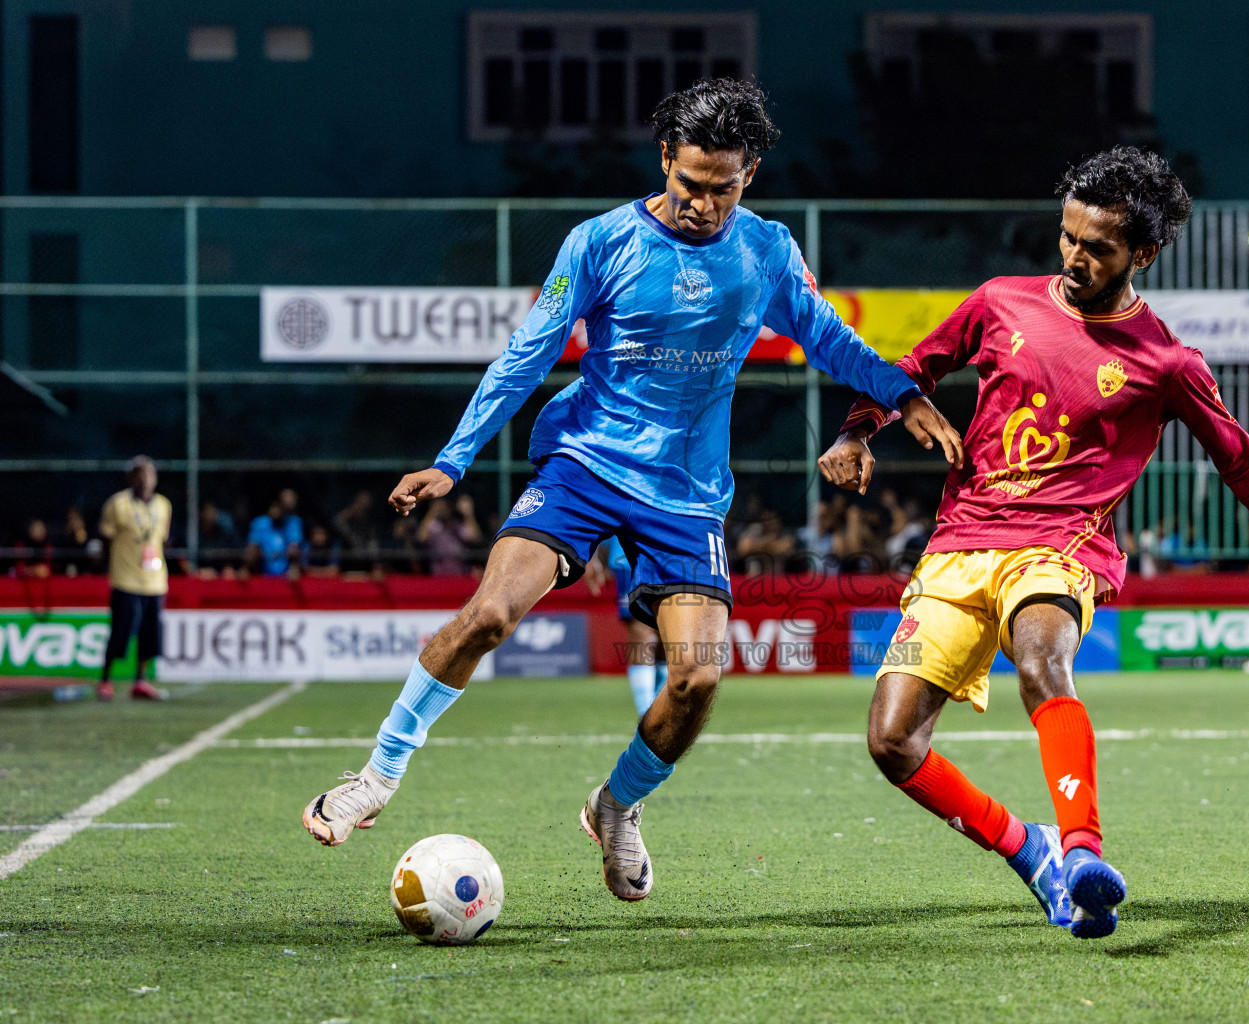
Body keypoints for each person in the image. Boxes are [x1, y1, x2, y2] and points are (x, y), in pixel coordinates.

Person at [299, 78, 963, 904]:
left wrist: (903, 395)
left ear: (749, 172)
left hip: (687, 495)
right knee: (492, 614)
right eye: (689, 184)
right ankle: (378, 774)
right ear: (664, 161)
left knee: (698, 679)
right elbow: (528, 355)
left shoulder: (766, 251)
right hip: (586, 463)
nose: (702, 204)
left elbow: (829, 338)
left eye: (722, 187)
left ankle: (617, 807)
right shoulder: (601, 242)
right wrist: (453, 460)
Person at [818, 147, 1249, 939]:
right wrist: (857, 430)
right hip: (959, 545)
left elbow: (1242, 461)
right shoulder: (1000, 301)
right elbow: (913, 367)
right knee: (891, 741)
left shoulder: (1166, 362)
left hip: (1061, 546)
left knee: (1044, 661)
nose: (1076, 257)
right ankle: (1033, 854)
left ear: (1142, 253)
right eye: (1068, 237)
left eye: (1099, 247)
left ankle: (1083, 853)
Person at [97, 456, 171, 701]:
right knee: (121, 630)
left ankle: (140, 680)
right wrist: (111, 566)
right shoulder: (118, 504)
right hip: (125, 578)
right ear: (130, 478)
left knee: (150, 633)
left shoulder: (163, 505)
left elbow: (161, 540)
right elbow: (106, 539)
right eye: (139, 474)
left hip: (154, 580)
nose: (144, 479)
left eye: (148, 474)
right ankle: (105, 679)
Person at [587, 536, 669, 716]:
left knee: (667, 638)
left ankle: (659, 706)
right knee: (640, 633)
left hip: (669, 560)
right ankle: (646, 716)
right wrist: (592, 559)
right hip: (627, 562)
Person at [246, 494, 304, 577]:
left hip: (286, 573)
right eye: (273, 507)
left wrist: (294, 568)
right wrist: (246, 567)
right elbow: (252, 547)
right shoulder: (259, 523)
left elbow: (294, 547)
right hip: (262, 570)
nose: (275, 511)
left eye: (278, 507)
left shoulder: (293, 523)